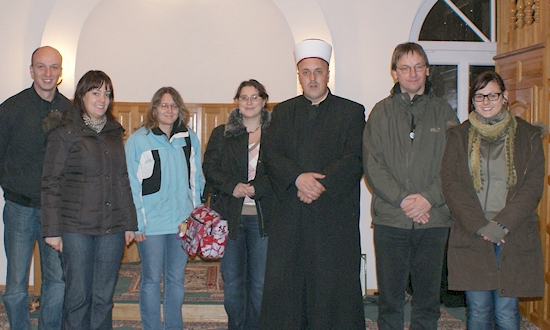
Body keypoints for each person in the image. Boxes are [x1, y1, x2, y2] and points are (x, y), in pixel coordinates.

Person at [260, 39, 366, 329]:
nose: (312, 78)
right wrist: (297, 178)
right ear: (299, 76)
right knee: (289, 287)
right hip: (292, 218)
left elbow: (354, 158)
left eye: (318, 71)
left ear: (327, 73)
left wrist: (318, 184)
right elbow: (271, 155)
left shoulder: (351, 112)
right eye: (306, 72)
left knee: (332, 287)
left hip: (333, 219)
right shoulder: (282, 112)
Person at [363, 42, 458, 329]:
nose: (413, 73)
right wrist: (405, 200)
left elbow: (454, 165)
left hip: (433, 221)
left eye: (418, 67)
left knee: (428, 300)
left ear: (427, 71)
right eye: (405, 68)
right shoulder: (380, 113)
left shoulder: (445, 113)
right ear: (395, 73)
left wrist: (428, 199)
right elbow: (372, 165)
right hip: (391, 220)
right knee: (390, 299)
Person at [441, 71, 544, 329]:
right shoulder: (458, 136)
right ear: (472, 101)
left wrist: (501, 225)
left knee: (507, 312)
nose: (486, 101)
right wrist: (481, 225)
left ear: (505, 97)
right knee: (478, 311)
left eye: (493, 95)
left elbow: (532, 187)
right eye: (479, 96)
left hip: (513, 234)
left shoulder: (528, 136)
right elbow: (451, 184)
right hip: (473, 234)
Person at [41, 70, 138, 329]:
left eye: (107, 94)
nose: (102, 99)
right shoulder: (64, 133)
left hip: (111, 228)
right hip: (76, 229)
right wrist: (52, 230)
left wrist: (129, 223)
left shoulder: (114, 133)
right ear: (82, 96)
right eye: (96, 93)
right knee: (78, 297)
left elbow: (122, 180)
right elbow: (51, 182)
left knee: (103, 298)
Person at [0, 46, 72, 330]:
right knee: (16, 283)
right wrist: (12, 183)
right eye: (41, 67)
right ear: (31, 70)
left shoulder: (70, 111)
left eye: (53, 67)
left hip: (56, 211)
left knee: (57, 280)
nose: (47, 73)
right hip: (19, 208)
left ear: (60, 73)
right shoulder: (10, 109)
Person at [125, 87, 204, 330]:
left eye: (173, 106)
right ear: (155, 109)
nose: (169, 110)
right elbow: (131, 184)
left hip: (182, 221)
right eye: (164, 105)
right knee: (150, 279)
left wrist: (197, 215)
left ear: (180, 110)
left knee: (176, 280)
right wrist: (137, 222)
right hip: (152, 224)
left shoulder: (189, 138)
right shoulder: (139, 140)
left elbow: (196, 179)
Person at [203, 79, 274, 330]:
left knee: (259, 283)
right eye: (244, 97)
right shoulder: (222, 133)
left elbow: (281, 171)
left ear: (264, 101)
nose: (249, 102)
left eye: (254, 97)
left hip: (262, 218)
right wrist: (234, 185)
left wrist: (257, 188)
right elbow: (210, 168)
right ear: (237, 102)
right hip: (230, 218)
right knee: (233, 283)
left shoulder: (276, 134)